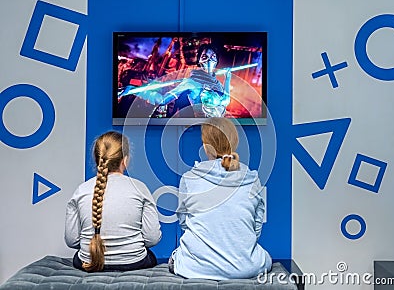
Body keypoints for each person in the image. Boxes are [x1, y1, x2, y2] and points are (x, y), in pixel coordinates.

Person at [169, 117, 272, 280]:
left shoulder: (189, 179)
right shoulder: (252, 179)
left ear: (205, 146)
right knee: (265, 257)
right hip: (246, 267)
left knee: (175, 257)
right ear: (235, 143)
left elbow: (184, 223)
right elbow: (256, 227)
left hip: (194, 269)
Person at [64, 131, 161, 272]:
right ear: (125, 160)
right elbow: (152, 239)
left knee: (77, 257)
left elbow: (71, 240)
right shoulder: (140, 188)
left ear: (98, 159)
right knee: (150, 256)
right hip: (133, 262)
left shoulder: (81, 190)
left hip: (88, 263)